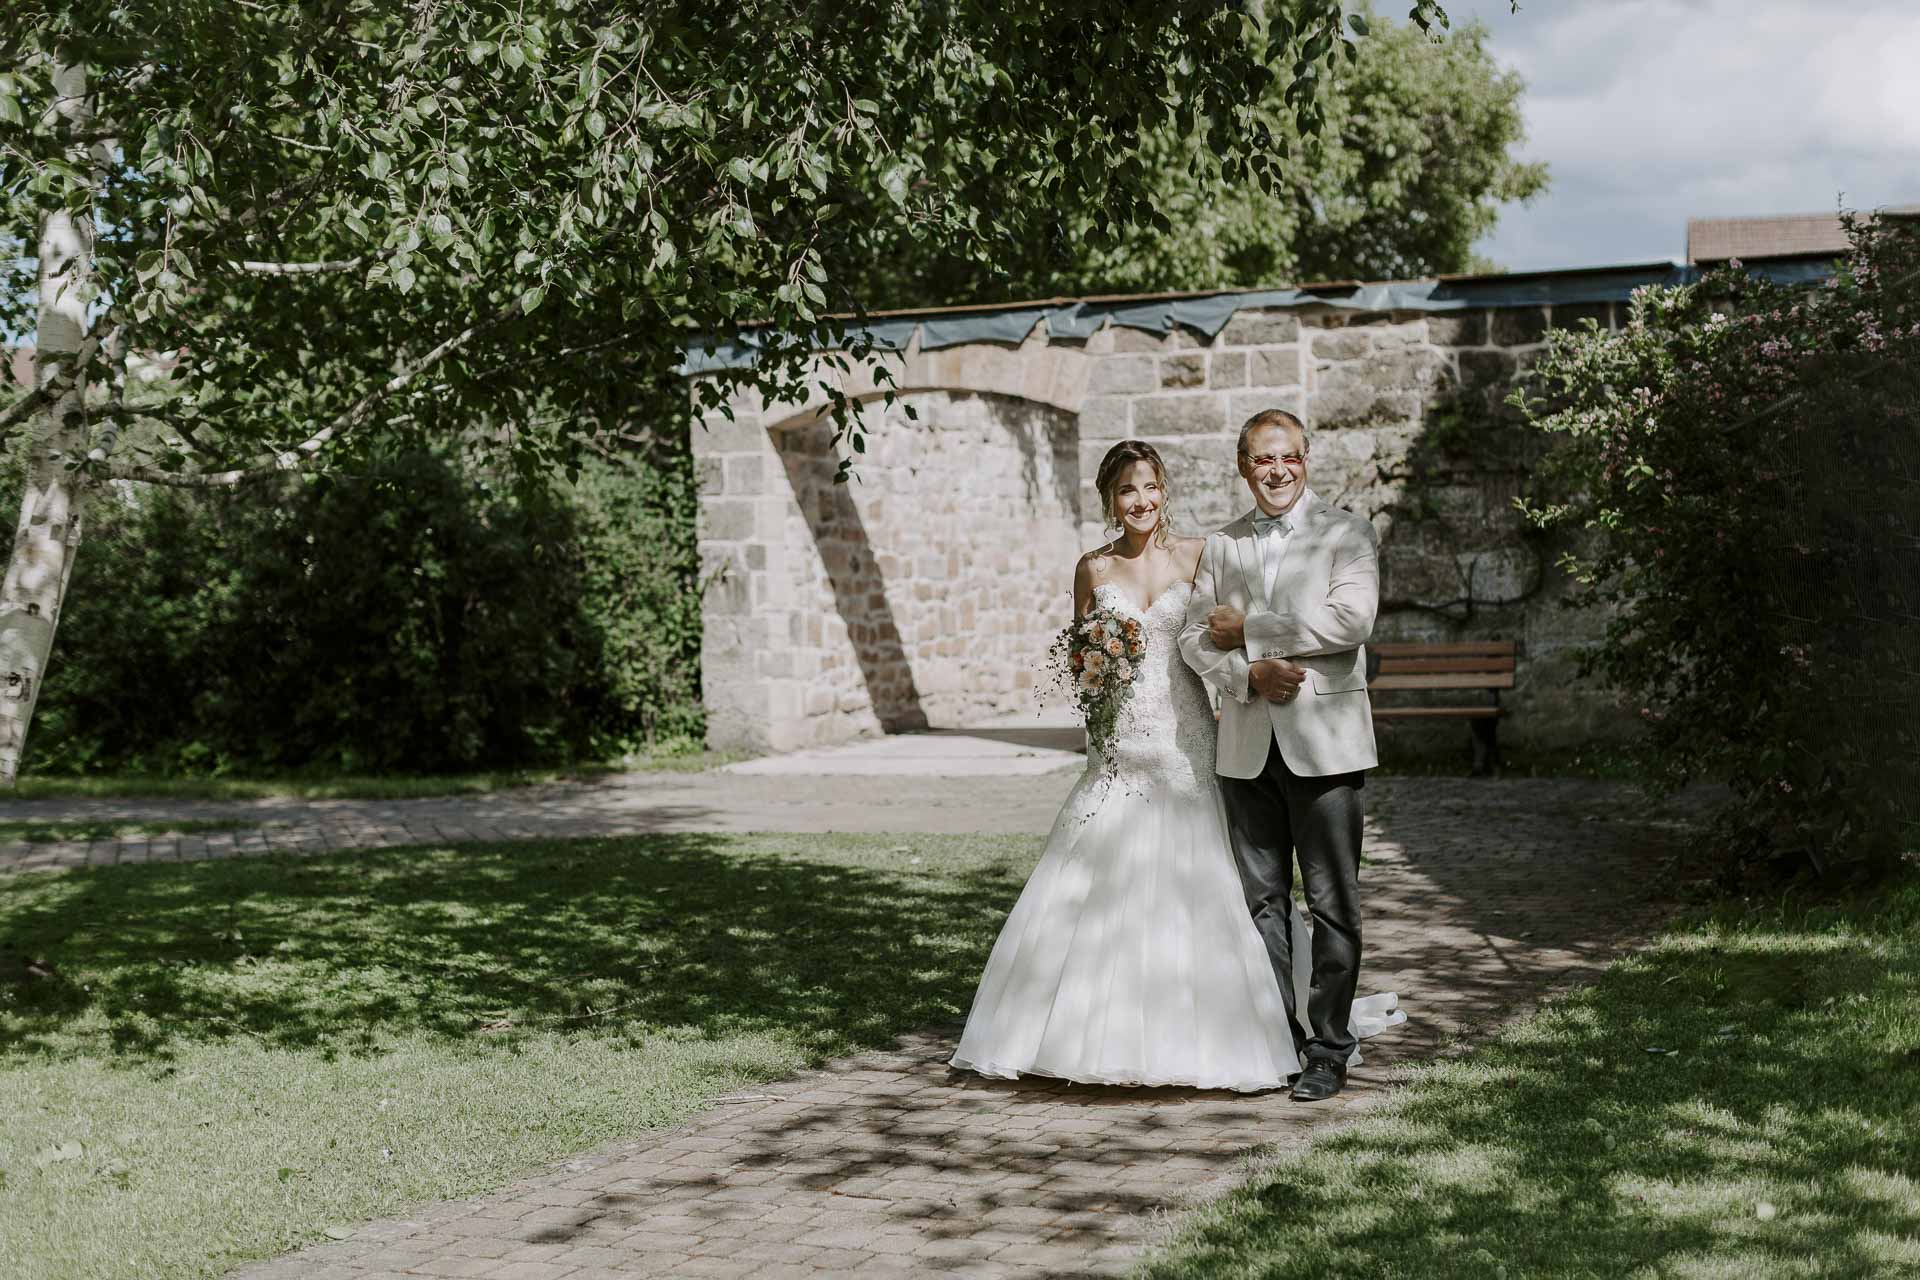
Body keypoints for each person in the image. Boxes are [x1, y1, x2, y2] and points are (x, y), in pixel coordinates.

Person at [951, 438, 1400, 1093]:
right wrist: (1098, 685)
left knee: (1233, 888)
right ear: (1110, 500)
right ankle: (1085, 1032)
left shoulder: (1199, 554)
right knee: (1106, 882)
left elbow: (1209, 636)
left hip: (1188, 743)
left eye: (1150, 487)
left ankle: (1279, 1030)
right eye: (1127, 490)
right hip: (1121, 749)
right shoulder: (1092, 568)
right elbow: (1081, 659)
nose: (1141, 501)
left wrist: (1249, 661)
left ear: (1165, 490)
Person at [1178, 408, 1383, 1102]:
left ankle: (1329, 1048)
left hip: (1326, 747)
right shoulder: (1222, 545)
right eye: (1263, 459)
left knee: (1332, 902)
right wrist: (1248, 674)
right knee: (1260, 902)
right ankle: (1280, 1043)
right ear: (1244, 466)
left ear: (1305, 460)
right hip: (1245, 746)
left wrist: (1251, 630)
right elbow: (1192, 637)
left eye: (1289, 456)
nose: (1277, 470)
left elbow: (1350, 620)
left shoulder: (1347, 533)